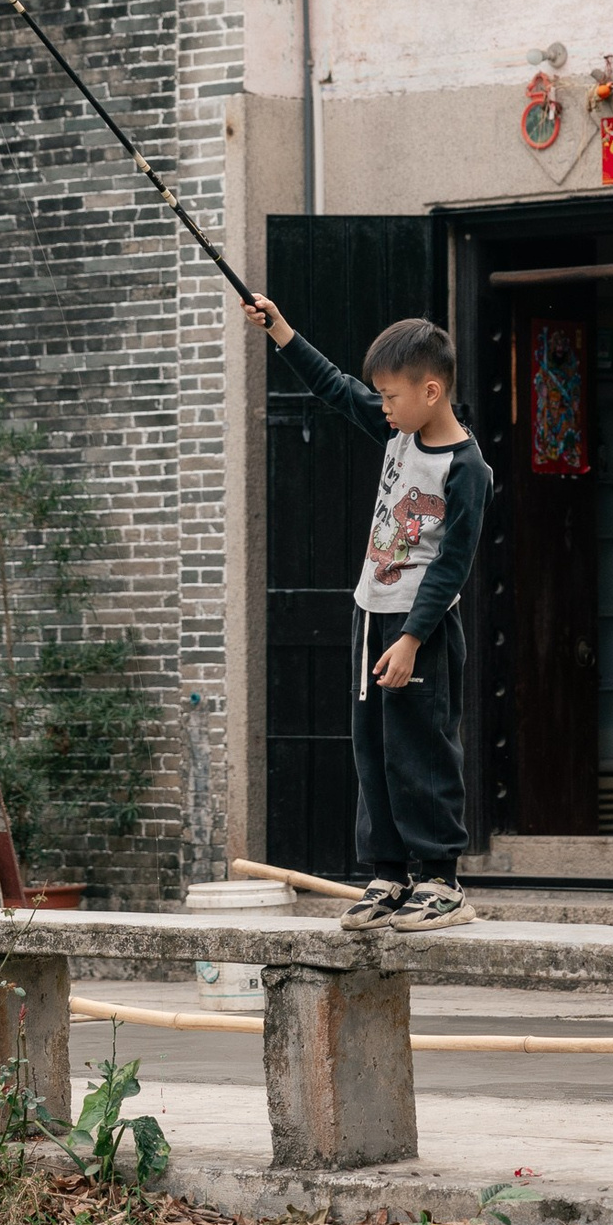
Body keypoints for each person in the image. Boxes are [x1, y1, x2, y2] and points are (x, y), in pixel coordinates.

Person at [244, 296, 492, 933]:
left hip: (421, 629)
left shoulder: (467, 469)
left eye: (390, 396)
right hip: (369, 615)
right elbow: (333, 386)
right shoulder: (397, 434)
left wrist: (411, 639)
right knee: (374, 748)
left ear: (430, 391)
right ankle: (389, 874)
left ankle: (442, 881)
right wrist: (281, 329)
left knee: (423, 749)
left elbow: (451, 566)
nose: (381, 406)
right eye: (379, 396)